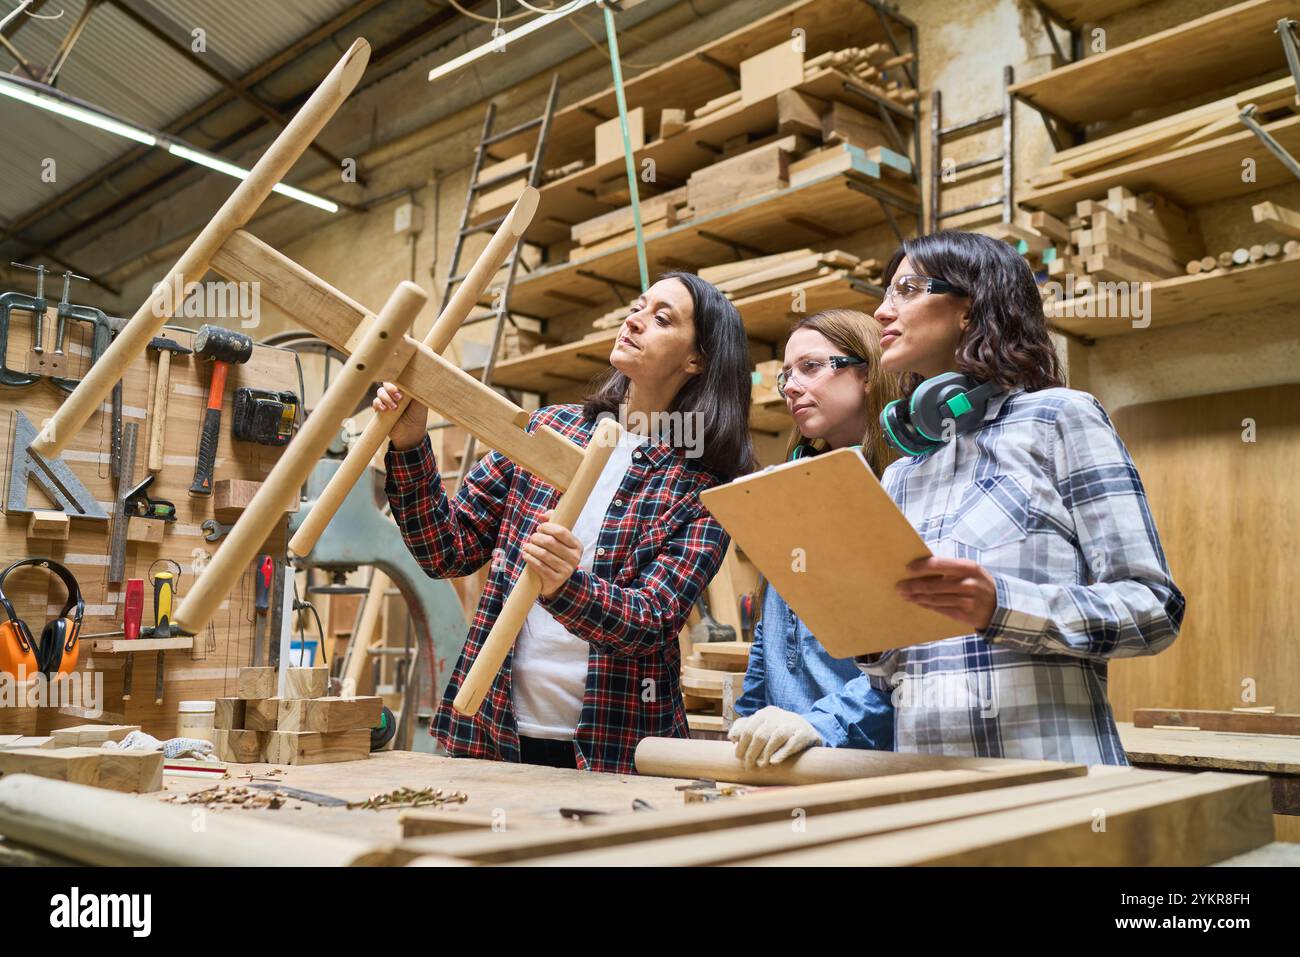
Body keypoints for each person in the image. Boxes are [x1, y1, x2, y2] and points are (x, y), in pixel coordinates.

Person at [735, 231, 1184, 766]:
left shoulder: (1060, 420)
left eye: (906, 289)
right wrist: (870, 638)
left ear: (970, 307)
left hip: (1050, 781)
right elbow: (887, 681)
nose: (882, 311)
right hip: (928, 786)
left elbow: (1154, 608)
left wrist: (1002, 606)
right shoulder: (902, 475)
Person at [376, 272, 755, 774]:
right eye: (637, 307)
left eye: (661, 318)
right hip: (494, 732)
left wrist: (566, 585)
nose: (636, 321)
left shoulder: (701, 486)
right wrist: (409, 443)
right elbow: (446, 549)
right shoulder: (548, 430)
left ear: (696, 359)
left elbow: (653, 619)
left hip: (616, 745)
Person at [728, 310, 898, 768]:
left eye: (810, 367)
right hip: (788, 759)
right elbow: (771, 631)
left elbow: (913, 661)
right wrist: (745, 725)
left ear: (867, 374)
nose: (790, 386)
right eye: (786, 375)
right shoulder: (791, 487)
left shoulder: (910, 490)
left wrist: (822, 725)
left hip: (868, 763)